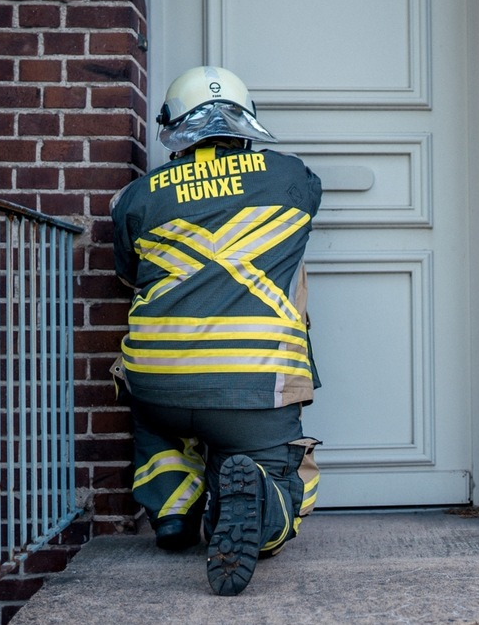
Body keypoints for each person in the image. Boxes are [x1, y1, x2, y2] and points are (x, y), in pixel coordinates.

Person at [110, 66, 322, 596]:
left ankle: (174, 512)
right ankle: (259, 499)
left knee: (157, 431)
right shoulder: (291, 177)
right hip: (252, 385)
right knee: (272, 466)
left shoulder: (136, 197)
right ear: (245, 122)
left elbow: (127, 278)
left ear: (172, 126)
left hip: (159, 381)